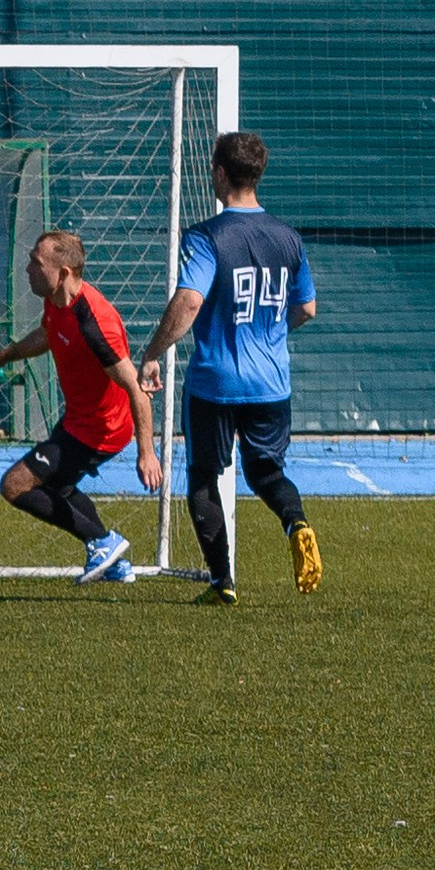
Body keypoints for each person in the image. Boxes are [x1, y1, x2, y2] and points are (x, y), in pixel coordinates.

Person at [136, 129, 321, 605]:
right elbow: (307, 308)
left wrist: (152, 353)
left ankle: (222, 583)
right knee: (266, 473)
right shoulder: (289, 238)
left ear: (220, 174)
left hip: (215, 382)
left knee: (203, 477)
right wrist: (270, 334)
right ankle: (296, 522)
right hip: (271, 383)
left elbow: (189, 301)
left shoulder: (206, 237)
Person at [0, 230, 164, 581]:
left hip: (101, 431)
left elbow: (137, 390)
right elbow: (47, 334)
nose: (27, 269)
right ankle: (115, 563)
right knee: (57, 487)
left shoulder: (95, 325)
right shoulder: (56, 300)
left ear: (62, 272)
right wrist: (1, 357)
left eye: (36, 262)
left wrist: (147, 453)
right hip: (78, 420)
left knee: (14, 485)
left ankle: (103, 541)